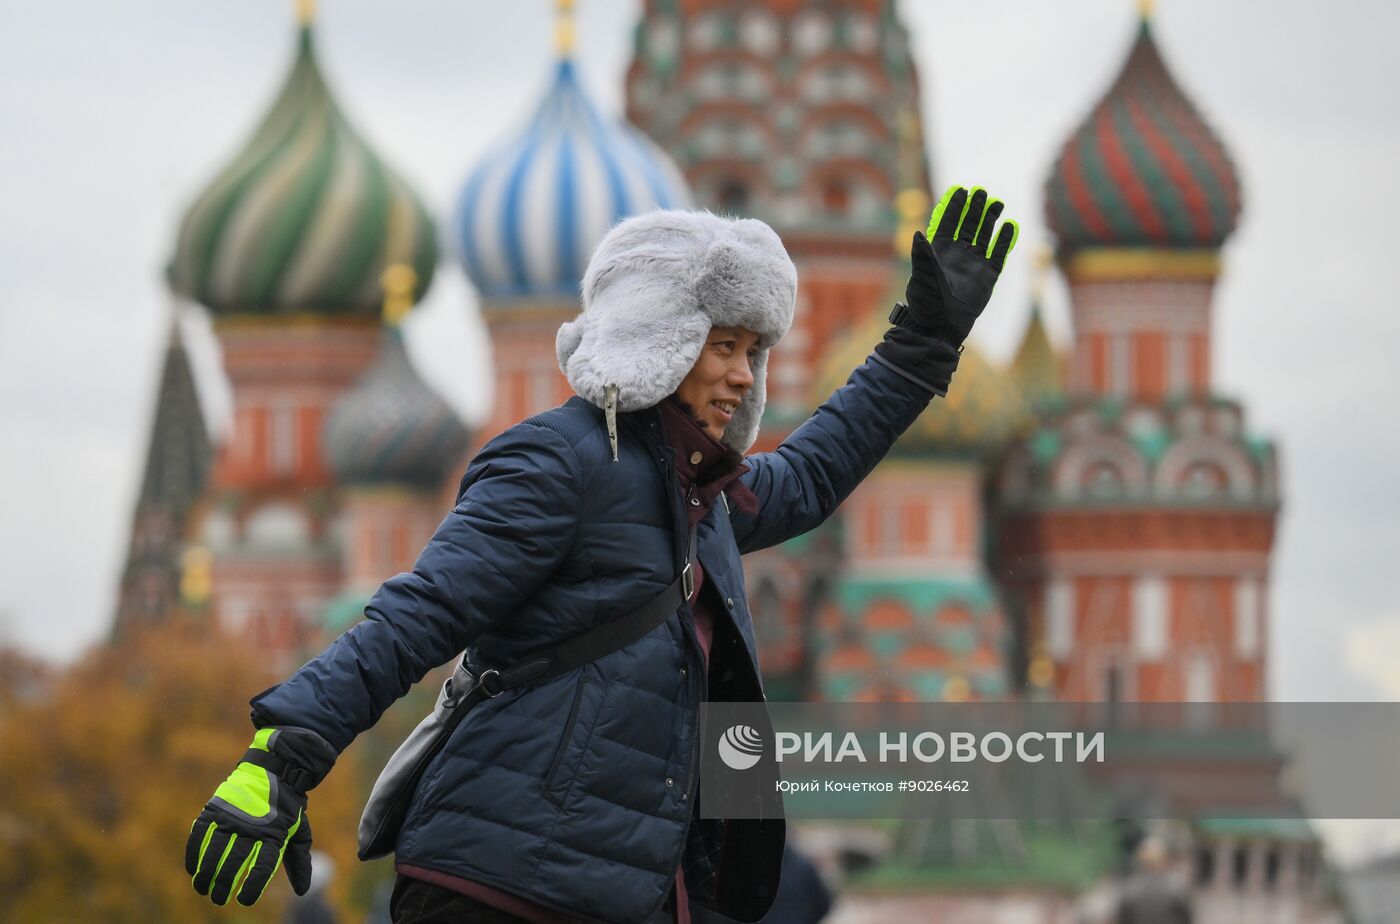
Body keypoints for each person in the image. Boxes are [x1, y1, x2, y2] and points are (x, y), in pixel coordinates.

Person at [184, 186, 1018, 924]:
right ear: (659, 337)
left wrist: (921, 344)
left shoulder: (706, 499)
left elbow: (814, 468)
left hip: (620, 887)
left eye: (751, 353)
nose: (740, 376)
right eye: (721, 346)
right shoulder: (558, 460)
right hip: (498, 885)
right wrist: (284, 755)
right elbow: (422, 611)